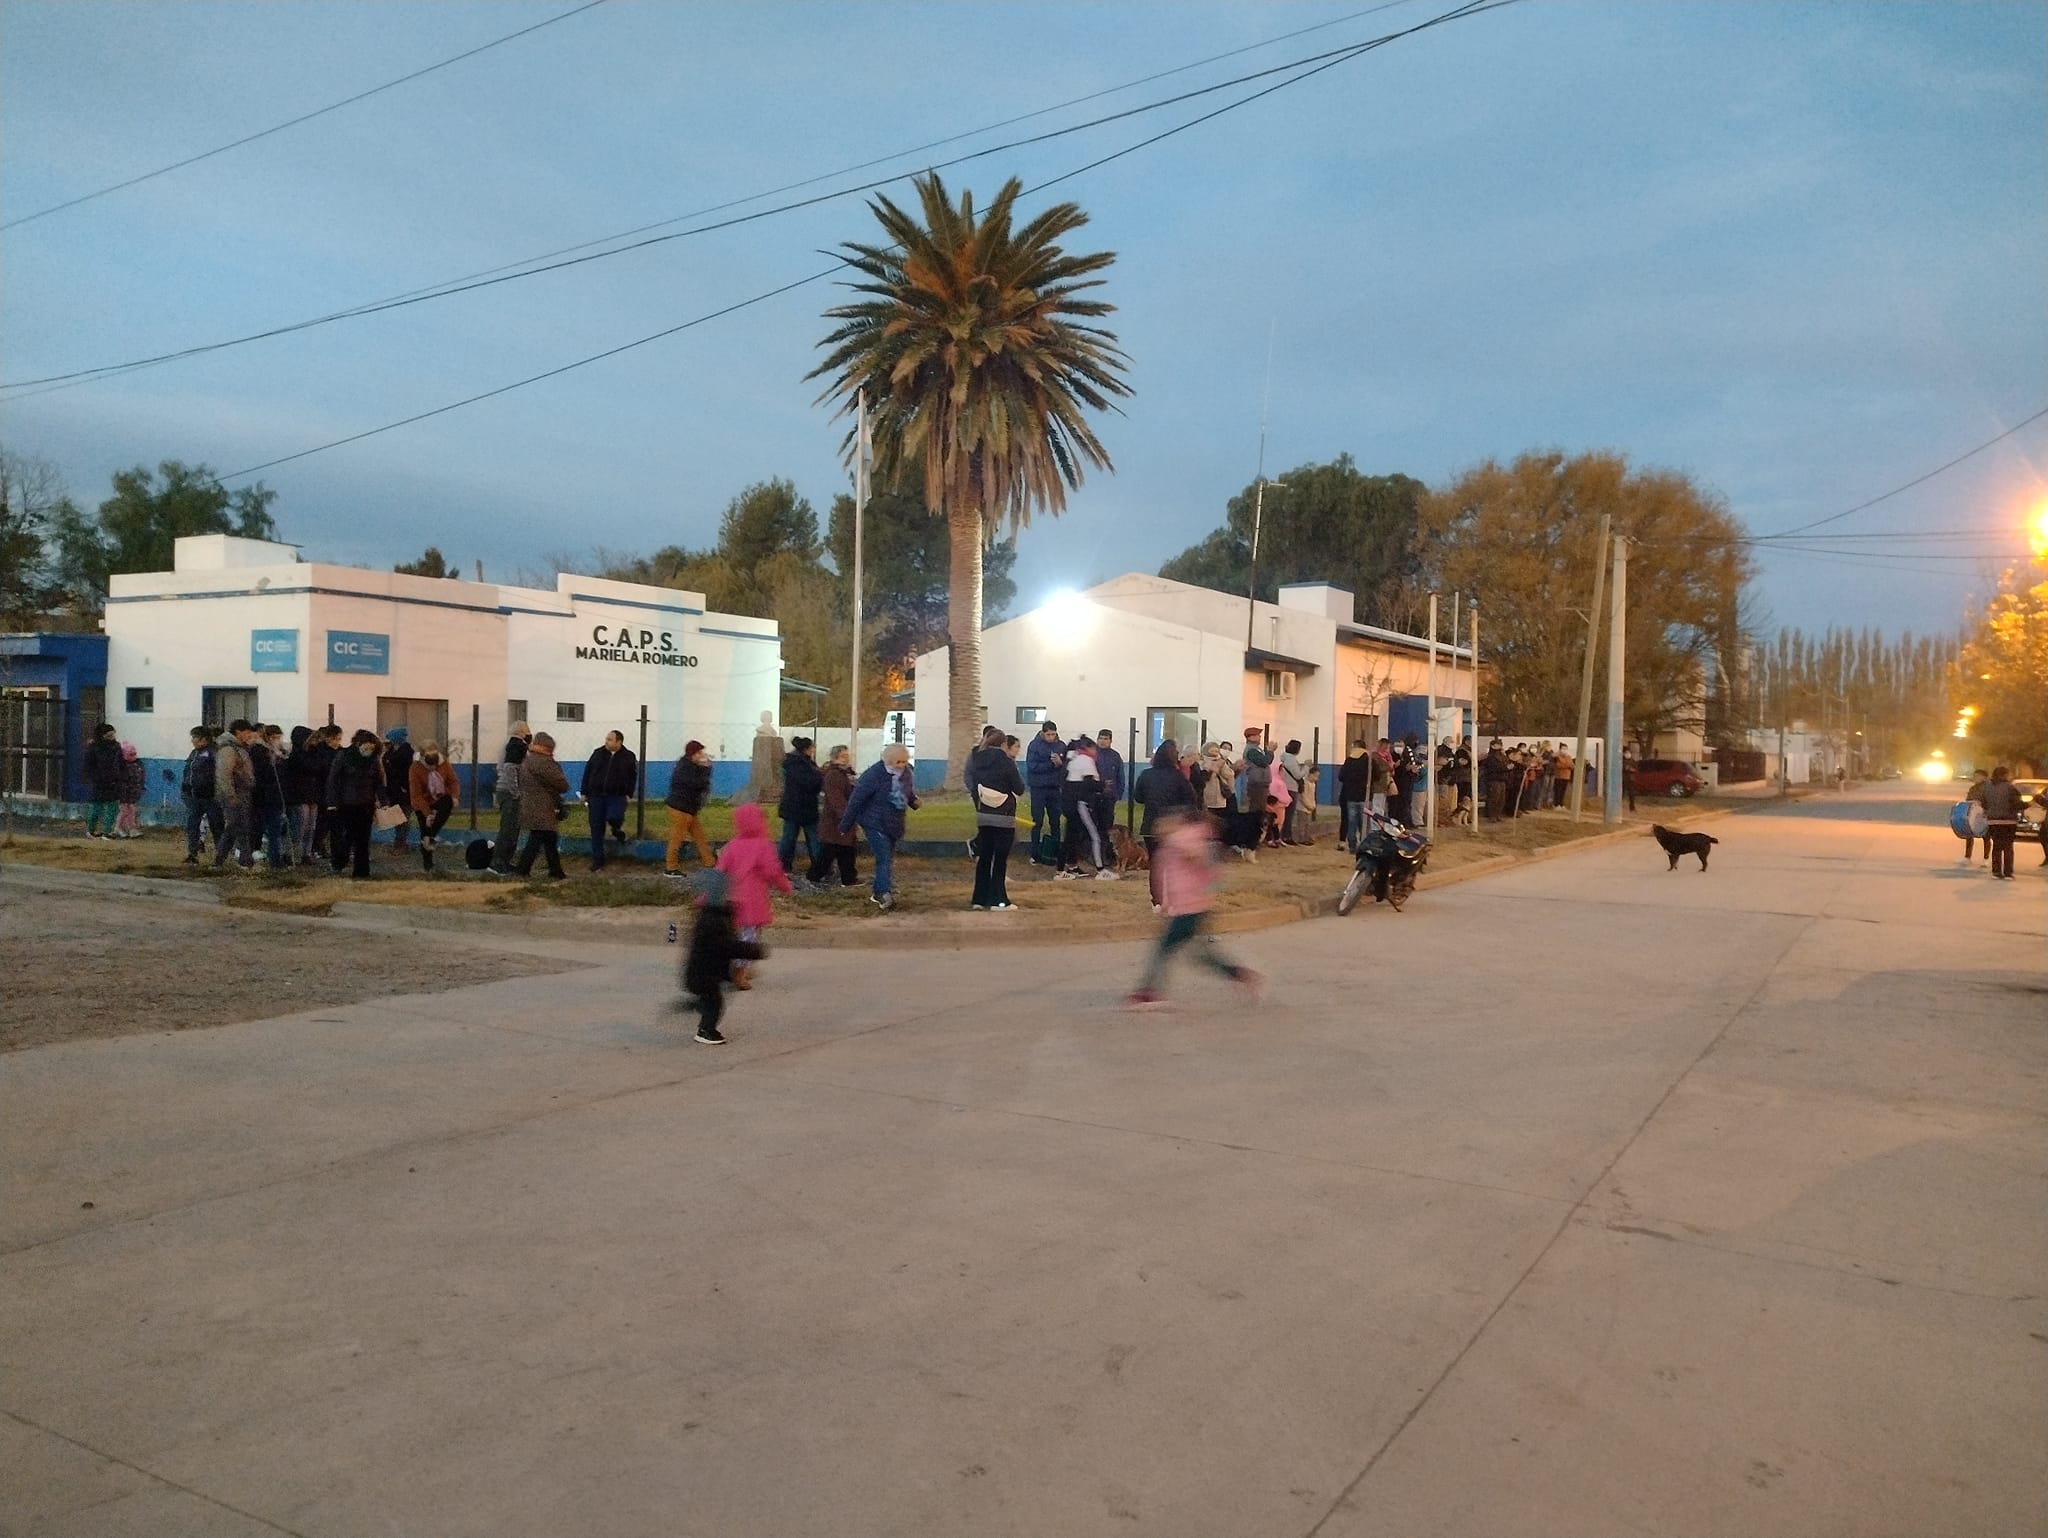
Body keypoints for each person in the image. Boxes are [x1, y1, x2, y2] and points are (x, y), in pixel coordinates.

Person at [1125, 808, 1263, 1010]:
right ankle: (1240, 975)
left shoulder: (1182, 840)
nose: (1159, 828)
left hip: (1191, 907)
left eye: (1164, 823)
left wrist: (1195, 861)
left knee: (1164, 948)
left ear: (1178, 823)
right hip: (1187, 906)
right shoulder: (1178, 841)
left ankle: (1149, 990)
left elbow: (1204, 864)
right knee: (1200, 955)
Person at [680, 870, 764, 1046]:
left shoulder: (711, 915)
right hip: (703, 976)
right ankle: (706, 1030)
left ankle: (699, 1004)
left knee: (709, 998)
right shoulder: (713, 922)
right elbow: (727, 946)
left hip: (704, 973)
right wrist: (752, 951)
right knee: (715, 1004)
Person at [715, 802, 793, 986]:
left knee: (732, 937)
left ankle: (729, 968)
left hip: (730, 900)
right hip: (752, 901)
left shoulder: (732, 846)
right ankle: (740, 973)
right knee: (749, 938)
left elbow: (719, 872)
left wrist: (706, 896)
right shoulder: (763, 845)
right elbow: (773, 872)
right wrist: (785, 887)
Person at [841, 743, 918, 910]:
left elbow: (907, 791)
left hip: (894, 822)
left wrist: (913, 801)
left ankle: (880, 890)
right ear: (888, 761)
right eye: (898, 762)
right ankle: (883, 893)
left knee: (887, 858)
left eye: (905, 761)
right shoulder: (873, 775)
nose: (902, 766)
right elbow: (856, 800)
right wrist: (845, 825)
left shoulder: (906, 774)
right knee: (883, 856)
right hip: (874, 821)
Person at [967, 725, 1025, 910]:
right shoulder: (1006, 762)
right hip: (1003, 816)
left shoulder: (977, 760)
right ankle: (999, 900)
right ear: (1003, 744)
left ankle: (979, 899)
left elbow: (972, 784)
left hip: (983, 814)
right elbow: (1019, 788)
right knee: (999, 860)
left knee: (984, 857)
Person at [1137, 739, 1197, 908]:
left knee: (1156, 866)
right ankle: (1173, 900)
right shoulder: (1178, 777)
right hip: (1173, 827)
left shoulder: (1146, 774)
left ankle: (1157, 901)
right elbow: (1190, 800)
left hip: (1151, 826)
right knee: (1173, 865)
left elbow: (1138, 797)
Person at [325, 729, 383, 879]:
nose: (368, 751)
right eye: (366, 748)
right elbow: (333, 780)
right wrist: (332, 802)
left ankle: (362, 872)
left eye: (371, 749)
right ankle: (339, 862)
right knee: (347, 837)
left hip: (366, 803)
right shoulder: (344, 756)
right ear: (358, 744)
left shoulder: (373, 760)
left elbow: (378, 781)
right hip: (347, 803)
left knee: (363, 839)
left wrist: (383, 800)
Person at [580, 730, 639, 872]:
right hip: (596, 795)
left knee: (615, 816)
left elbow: (632, 777)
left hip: (617, 795)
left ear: (619, 742)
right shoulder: (598, 753)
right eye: (606, 739)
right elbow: (588, 772)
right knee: (596, 827)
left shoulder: (628, 757)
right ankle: (598, 860)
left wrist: (628, 794)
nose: (606, 741)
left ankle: (616, 829)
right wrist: (584, 792)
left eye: (610, 739)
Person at [513, 732, 569, 879]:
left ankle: (556, 871)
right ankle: (523, 869)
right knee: (537, 838)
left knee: (549, 838)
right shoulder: (544, 762)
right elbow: (562, 785)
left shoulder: (527, 761)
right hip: (544, 806)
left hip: (530, 804)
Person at [1059, 736, 1114, 879]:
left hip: (1068, 801)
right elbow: (1089, 784)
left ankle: (1067, 867)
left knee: (1071, 835)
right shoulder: (1087, 761)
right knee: (1094, 835)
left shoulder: (1073, 759)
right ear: (1089, 748)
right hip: (1080, 803)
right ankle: (1100, 869)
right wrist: (1102, 785)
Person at [808, 744, 860, 888]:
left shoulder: (845, 774)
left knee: (844, 850)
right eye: (843, 756)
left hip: (840, 821)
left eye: (847, 756)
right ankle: (815, 877)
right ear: (834, 758)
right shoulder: (834, 775)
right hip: (835, 821)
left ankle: (848, 879)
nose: (846, 759)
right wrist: (846, 817)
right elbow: (836, 799)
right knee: (830, 851)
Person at [663, 740, 716, 876]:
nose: (702, 755)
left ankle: (709, 862)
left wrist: (705, 768)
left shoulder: (687, 766)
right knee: (677, 838)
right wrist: (706, 769)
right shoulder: (687, 768)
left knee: (699, 836)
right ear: (692, 754)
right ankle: (670, 868)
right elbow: (698, 784)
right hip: (681, 808)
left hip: (687, 809)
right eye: (699, 753)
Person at [213, 719, 258, 871]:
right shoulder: (229, 749)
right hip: (235, 794)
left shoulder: (239, 748)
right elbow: (224, 774)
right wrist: (230, 795)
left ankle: (222, 860)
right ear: (238, 732)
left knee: (237, 827)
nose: (248, 736)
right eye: (247, 733)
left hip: (242, 793)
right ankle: (244, 861)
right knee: (238, 827)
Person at [776, 735, 823, 878]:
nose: (814, 750)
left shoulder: (793, 763)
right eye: (812, 747)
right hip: (802, 807)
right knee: (811, 838)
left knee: (789, 838)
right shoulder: (802, 764)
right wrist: (820, 777)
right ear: (806, 749)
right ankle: (818, 865)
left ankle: (784, 865)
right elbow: (809, 782)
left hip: (793, 806)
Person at [490, 722, 532, 876]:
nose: (529, 733)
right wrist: (516, 792)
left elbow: (500, 767)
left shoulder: (507, 745)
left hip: (504, 790)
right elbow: (509, 768)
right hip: (509, 793)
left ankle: (504, 861)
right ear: (521, 731)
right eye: (527, 730)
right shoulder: (517, 746)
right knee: (509, 828)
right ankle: (499, 862)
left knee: (511, 828)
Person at [408, 741, 457, 870]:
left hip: (440, 798)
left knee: (447, 803)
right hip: (422, 801)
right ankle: (427, 863)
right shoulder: (415, 768)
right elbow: (416, 795)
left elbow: (453, 781)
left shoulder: (444, 763)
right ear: (422, 758)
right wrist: (427, 813)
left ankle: (431, 835)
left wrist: (455, 796)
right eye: (428, 765)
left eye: (434, 765)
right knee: (425, 828)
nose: (431, 768)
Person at [1023, 721, 1067, 863]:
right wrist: (1050, 764)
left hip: (1054, 788)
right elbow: (1032, 766)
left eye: (1053, 734)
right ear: (1043, 733)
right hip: (1038, 788)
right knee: (1037, 821)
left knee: (1055, 821)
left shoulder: (1061, 746)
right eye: (1048, 734)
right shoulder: (1034, 746)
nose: (1051, 737)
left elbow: (1066, 767)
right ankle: (1034, 853)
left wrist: (1061, 764)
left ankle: (1055, 852)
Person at [179, 726, 223, 862]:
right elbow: (188, 773)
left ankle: (220, 856)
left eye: (194, 738)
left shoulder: (214, 753)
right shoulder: (194, 753)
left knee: (217, 826)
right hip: (194, 796)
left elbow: (220, 774)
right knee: (192, 826)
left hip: (211, 797)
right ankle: (192, 854)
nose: (192, 741)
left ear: (204, 739)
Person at [250, 723, 290, 868]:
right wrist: (273, 761)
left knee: (276, 830)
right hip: (263, 796)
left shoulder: (280, 751)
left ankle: (276, 858)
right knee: (262, 828)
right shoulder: (258, 751)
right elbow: (261, 774)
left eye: (279, 737)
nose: (277, 740)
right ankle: (261, 855)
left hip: (276, 796)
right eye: (275, 738)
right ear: (268, 737)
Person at [284, 726, 321, 863]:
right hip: (299, 796)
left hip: (312, 794)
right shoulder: (296, 756)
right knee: (300, 827)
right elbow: (311, 767)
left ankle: (306, 853)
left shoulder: (313, 753)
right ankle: (294, 853)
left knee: (310, 827)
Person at [1981, 766, 2022, 880]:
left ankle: (1996, 872)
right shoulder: (2010, 788)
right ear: (2005, 775)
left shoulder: (1987, 787)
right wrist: (2030, 804)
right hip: (2008, 821)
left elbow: (1984, 804)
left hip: (1993, 821)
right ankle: (2008, 873)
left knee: (1997, 847)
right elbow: (2017, 804)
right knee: (2008, 847)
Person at [83, 722, 123, 838]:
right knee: (96, 807)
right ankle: (91, 831)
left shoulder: (116, 747)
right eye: (109, 735)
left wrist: (120, 776)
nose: (112, 738)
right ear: (102, 735)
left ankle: (107, 832)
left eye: (113, 735)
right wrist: (94, 777)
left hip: (113, 781)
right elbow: (88, 766)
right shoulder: (93, 748)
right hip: (99, 782)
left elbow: (120, 763)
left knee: (112, 807)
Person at [381, 726, 415, 852]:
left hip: (403, 792)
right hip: (395, 791)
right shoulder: (392, 753)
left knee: (403, 818)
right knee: (398, 818)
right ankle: (399, 843)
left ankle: (401, 844)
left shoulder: (405, 754)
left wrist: (404, 787)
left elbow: (403, 774)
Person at [1337, 743, 1372, 851]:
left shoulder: (1349, 760)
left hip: (1349, 795)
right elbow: (1376, 776)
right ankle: (1364, 845)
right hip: (1364, 795)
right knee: (1364, 822)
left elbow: (1341, 776)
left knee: (1350, 821)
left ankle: (1351, 845)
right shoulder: (1369, 761)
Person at [1094, 728, 1126, 841]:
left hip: (1109, 797)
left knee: (1107, 826)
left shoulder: (1115, 756)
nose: (1102, 741)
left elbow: (1120, 776)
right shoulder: (1092, 754)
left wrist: (1117, 795)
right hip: (1094, 796)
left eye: (1106, 739)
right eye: (1100, 738)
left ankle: (1106, 852)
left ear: (1110, 741)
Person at [111, 740, 145, 839]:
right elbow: (119, 779)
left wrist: (140, 786)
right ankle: (117, 828)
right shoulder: (121, 765)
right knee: (124, 810)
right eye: (131, 754)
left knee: (132, 810)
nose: (134, 756)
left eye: (134, 754)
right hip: (123, 791)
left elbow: (141, 776)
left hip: (133, 790)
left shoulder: (138, 763)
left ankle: (131, 828)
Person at [1277, 740, 1308, 844]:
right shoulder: (1291, 760)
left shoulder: (1283, 758)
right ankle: (1286, 836)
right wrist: (1306, 767)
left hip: (1284, 788)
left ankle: (1282, 835)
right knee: (1289, 814)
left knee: (1284, 813)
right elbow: (1298, 775)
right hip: (1291, 788)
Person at [1961, 769, 1990, 864]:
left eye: (1977, 776)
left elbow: (1991, 801)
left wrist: (1982, 804)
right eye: (1974, 776)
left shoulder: (1989, 788)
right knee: (1969, 834)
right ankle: (1967, 857)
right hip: (1973, 814)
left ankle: (1986, 858)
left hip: (1984, 814)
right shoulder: (1973, 788)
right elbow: (1968, 799)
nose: (1975, 778)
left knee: (1986, 836)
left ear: (1984, 777)